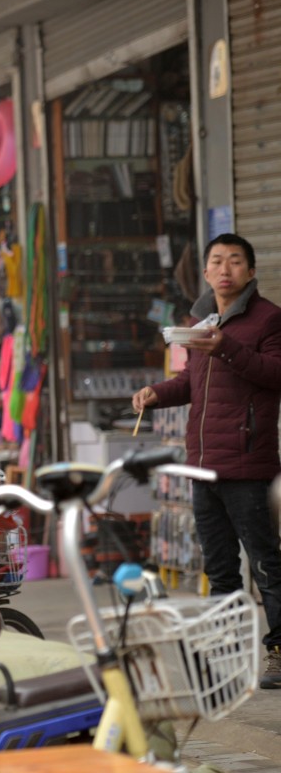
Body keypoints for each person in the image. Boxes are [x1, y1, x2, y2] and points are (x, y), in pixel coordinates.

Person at [131, 232, 281, 690]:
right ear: (206, 270)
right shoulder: (199, 318)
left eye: (235, 261)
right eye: (217, 261)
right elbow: (191, 381)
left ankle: (278, 654)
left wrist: (226, 347)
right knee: (218, 570)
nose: (225, 269)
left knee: (266, 565)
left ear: (250, 272)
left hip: (248, 465)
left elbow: (275, 374)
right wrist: (156, 394)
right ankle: (227, 658)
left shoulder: (269, 320)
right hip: (202, 466)